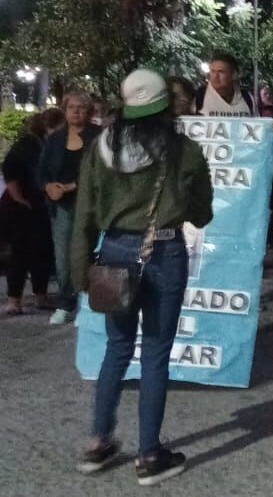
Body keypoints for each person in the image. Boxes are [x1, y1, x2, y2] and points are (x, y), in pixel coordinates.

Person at [71, 69, 213, 486]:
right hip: (164, 251)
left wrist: (79, 267)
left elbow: (85, 215)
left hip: (113, 250)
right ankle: (149, 455)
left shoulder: (99, 149)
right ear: (165, 107)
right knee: (154, 352)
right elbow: (202, 211)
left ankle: (99, 442)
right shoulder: (183, 149)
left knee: (116, 347)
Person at [40, 91, 101, 324]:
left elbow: (101, 170)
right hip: (61, 206)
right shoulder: (55, 139)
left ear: (90, 111)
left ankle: (87, 303)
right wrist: (48, 186)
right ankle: (65, 303)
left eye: (82, 107)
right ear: (64, 111)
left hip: (90, 205)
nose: (76, 111)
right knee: (63, 258)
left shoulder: (99, 137)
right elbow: (41, 169)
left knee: (89, 254)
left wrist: (72, 186)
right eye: (72, 107)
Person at [1, 107, 61, 315]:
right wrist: (20, 199)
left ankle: (41, 295)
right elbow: (11, 171)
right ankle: (14, 298)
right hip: (23, 206)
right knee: (21, 254)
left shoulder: (47, 144)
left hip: (40, 205)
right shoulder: (26, 146)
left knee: (42, 253)